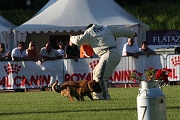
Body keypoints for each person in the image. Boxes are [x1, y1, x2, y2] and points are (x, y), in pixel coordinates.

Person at [70, 24, 137, 100]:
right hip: (114, 52)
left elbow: (78, 40)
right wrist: (132, 34)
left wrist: (71, 38)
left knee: (100, 77)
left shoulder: (89, 32)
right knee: (96, 72)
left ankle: (103, 97)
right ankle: (97, 95)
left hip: (108, 54)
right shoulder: (105, 28)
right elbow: (120, 31)